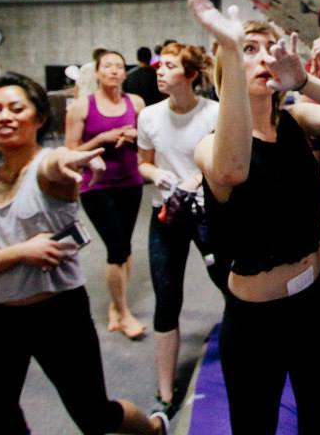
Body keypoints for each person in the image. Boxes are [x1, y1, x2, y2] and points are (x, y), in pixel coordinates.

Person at [185, 0, 320, 434]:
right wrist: (229, 50)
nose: (264, 57)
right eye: (249, 49)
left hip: (318, 298)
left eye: (270, 48)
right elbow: (232, 170)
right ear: (226, 67)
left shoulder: (296, 119)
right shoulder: (210, 146)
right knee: (255, 425)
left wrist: (306, 81)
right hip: (257, 322)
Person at [0, 73, 167, 435]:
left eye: (17, 108)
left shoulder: (49, 171)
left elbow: (55, 161)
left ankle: (153, 429)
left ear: (39, 117)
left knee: (94, 414)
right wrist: (22, 251)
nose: (4, 117)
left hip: (57, 314)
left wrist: (66, 160)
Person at [136, 43, 218, 416]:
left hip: (209, 215)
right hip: (166, 214)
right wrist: (158, 174)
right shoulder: (149, 116)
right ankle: (165, 394)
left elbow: (224, 160)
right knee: (166, 301)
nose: (160, 70)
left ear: (190, 75)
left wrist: (198, 179)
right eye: (159, 65)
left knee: (233, 286)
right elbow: (143, 164)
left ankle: (252, 360)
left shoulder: (214, 113)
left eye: (169, 66)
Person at [65, 50, 147, 340]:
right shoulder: (82, 107)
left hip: (131, 182)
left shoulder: (134, 103)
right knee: (116, 247)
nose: (113, 71)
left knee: (124, 245)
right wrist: (101, 139)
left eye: (119, 66)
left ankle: (117, 304)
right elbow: (70, 151)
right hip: (97, 186)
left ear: (125, 73)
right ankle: (124, 315)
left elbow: (147, 140)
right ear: (97, 72)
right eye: (107, 66)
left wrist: (136, 137)